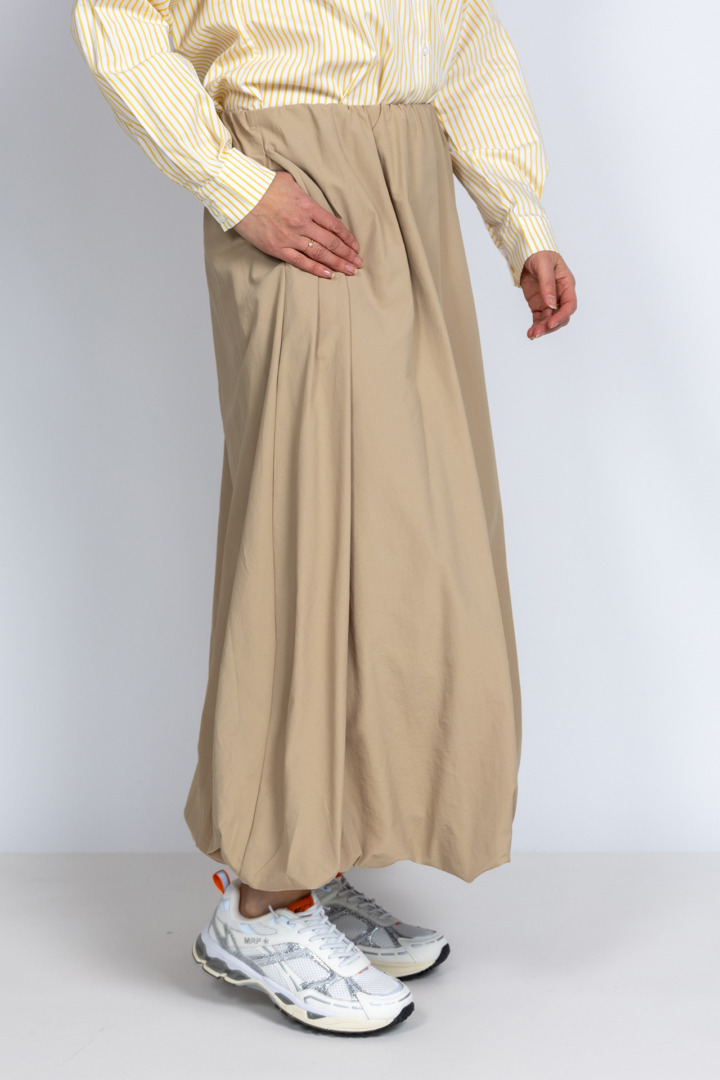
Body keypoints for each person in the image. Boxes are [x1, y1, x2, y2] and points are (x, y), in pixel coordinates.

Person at [70, 0, 577, 1036]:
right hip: (296, 174)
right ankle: (263, 906)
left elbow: (465, 38)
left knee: (410, 538)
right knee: (305, 534)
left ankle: (315, 850)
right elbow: (117, 14)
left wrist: (521, 223)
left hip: (413, 182)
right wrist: (234, 183)